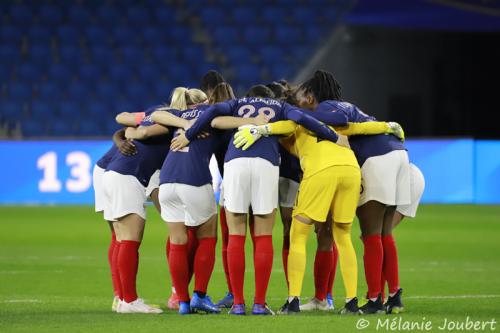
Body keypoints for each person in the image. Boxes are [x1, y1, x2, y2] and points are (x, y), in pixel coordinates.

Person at [171, 85, 342, 315]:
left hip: (236, 162)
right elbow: (302, 118)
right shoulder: (281, 106)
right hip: (266, 162)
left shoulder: (237, 104)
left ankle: (239, 304)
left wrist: (188, 135)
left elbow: (211, 115)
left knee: (236, 233)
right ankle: (260, 304)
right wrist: (333, 136)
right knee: (263, 235)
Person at [293, 70, 411, 314]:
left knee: (370, 234)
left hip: (377, 158)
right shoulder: (347, 104)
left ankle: (375, 299)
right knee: (385, 231)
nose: (300, 101)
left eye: (303, 96)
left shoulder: (325, 108)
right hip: (398, 152)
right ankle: (394, 294)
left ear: (313, 96)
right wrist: (386, 126)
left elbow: (343, 127)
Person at [151, 86, 232, 315]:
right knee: (207, 236)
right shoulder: (211, 113)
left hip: (166, 180)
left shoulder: (178, 115)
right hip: (194, 178)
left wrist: (184, 125)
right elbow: (227, 124)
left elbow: (155, 114)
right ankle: (200, 296)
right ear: (206, 100)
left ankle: (183, 302)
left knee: (177, 240)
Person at [102, 104, 174, 314]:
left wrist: (124, 136)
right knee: (130, 241)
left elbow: (124, 127)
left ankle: (124, 299)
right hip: (127, 177)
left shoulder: (152, 118)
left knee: (123, 239)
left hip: (114, 174)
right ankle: (130, 301)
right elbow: (131, 129)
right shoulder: (167, 124)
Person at [93, 128, 138, 312]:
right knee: (121, 235)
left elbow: (121, 130)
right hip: (112, 171)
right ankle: (122, 297)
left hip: (107, 170)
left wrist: (119, 140)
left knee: (118, 236)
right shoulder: (161, 120)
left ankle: (120, 297)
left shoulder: (155, 119)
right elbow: (122, 129)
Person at [380, 163, 425, 313]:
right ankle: (385, 296)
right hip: (411, 176)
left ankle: (379, 296)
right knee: (379, 237)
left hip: (404, 180)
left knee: (376, 238)